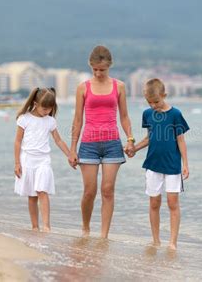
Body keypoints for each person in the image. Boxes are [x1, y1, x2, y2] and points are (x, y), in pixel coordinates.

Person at [68, 45, 135, 238]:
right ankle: (86, 228)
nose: (98, 73)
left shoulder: (119, 86)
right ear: (91, 66)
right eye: (95, 69)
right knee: (90, 191)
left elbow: (124, 117)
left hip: (112, 144)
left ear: (109, 66)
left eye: (102, 69)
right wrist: (73, 149)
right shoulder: (83, 87)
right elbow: (77, 120)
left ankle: (104, 235)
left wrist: (130, 140)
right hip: (88, 145)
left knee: (107, 190)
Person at [130, 78, 190, 250]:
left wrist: (185, 164)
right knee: (154, 203)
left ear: (164, 95)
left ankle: (172, 242)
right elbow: (149, 138)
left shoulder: (175, 114)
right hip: (153, 164)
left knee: (173, 203)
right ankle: (156, 240)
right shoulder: (147, 114)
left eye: (156, 101)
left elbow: (181, 140)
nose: (153, 105)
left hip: (172, 166)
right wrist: (134, 148)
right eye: (150, 103)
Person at [14, 87, 73, 232]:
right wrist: (17, 163)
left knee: (42, 191)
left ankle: (47, 226)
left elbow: (58, 140)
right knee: (32, 196)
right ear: (35, 102)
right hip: (27, 161)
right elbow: (17, 142)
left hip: (43, 161)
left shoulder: (50, 121)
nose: (46, 111)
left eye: (49, 108)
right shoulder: (24, 119)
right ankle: (35, 226)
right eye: (44, 108)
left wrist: (70, 154)